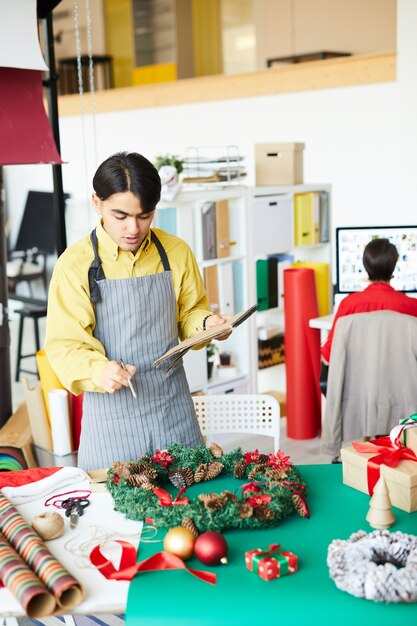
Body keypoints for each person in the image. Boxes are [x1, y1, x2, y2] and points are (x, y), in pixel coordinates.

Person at [45, 151, 229, 471]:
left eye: (145, 215)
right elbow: (64, 345)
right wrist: (97, 370)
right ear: (96, 203)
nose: (134, 228)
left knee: (188, 508)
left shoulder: (175, 252)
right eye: (121, 216)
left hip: (173, 413)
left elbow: (189, 313)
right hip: (111, 421)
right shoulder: (74, 265)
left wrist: (207, 323)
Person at [321, 237, 417, 365]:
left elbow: (328, 358)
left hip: (358, 385)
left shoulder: (349, 305)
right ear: (394, 267)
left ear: (366, 266)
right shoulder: (412, 306)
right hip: (403, 385)